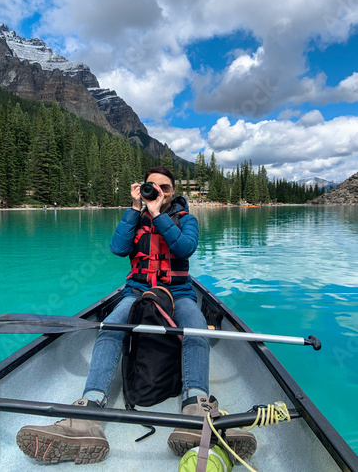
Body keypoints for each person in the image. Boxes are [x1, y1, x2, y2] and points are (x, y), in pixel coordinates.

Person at [16, 166, 256, 464]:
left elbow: (184, 248)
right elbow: (117, 248)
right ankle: (88, 411)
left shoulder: (187, 219)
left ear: (173, 192)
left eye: (165, 188)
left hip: (178, 292)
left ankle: (196, 405)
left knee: (196, 326)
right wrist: (133, 208)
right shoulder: (135, 216)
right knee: (111, 326)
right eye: (152, 187)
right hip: (136, 291)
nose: (158, 192)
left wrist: (158, 215)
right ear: (142, 189)